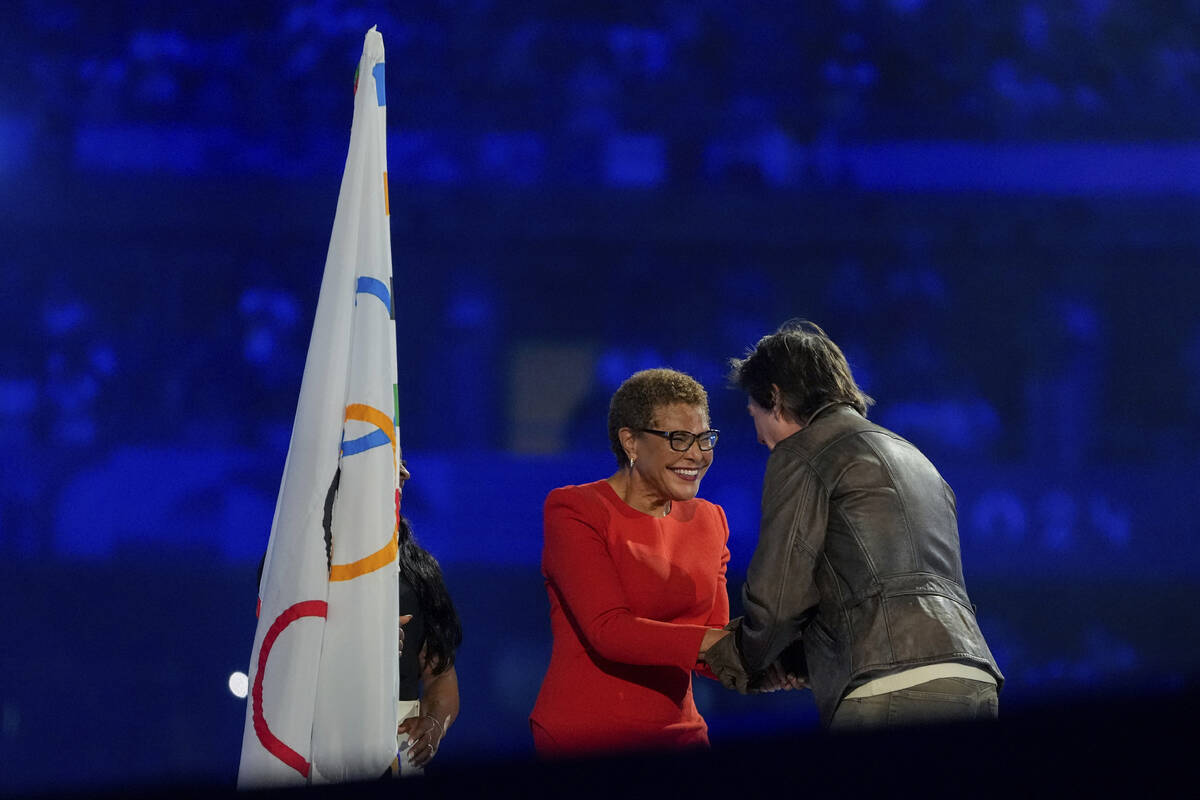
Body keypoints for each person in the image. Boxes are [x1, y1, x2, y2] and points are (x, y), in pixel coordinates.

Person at [701, 321, 1003, 731]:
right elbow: (868, 589)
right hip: (972, 676)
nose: (759, 437)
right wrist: (796, 661)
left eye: (755, 414)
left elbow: (778, 601)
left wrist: (743, 660)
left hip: (888, 686)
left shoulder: (802, 453)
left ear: (774, 396)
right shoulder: (917, 458)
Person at [529, 368, 732, 756]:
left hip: (682, 735)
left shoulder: (710, 519)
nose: (697, 454)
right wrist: (724, 644)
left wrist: (773, 660)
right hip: (588, 737)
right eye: (678, 439)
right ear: (631, 442)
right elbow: (609, 630)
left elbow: (713, 649)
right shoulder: (575, 509)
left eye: (704, 438)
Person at [391, 460, 462, 775]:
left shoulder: (419, 572)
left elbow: (441, 677)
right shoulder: (308, 565)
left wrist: (433, 724)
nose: (403, 472)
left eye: (401, 463)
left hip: (396, 744)